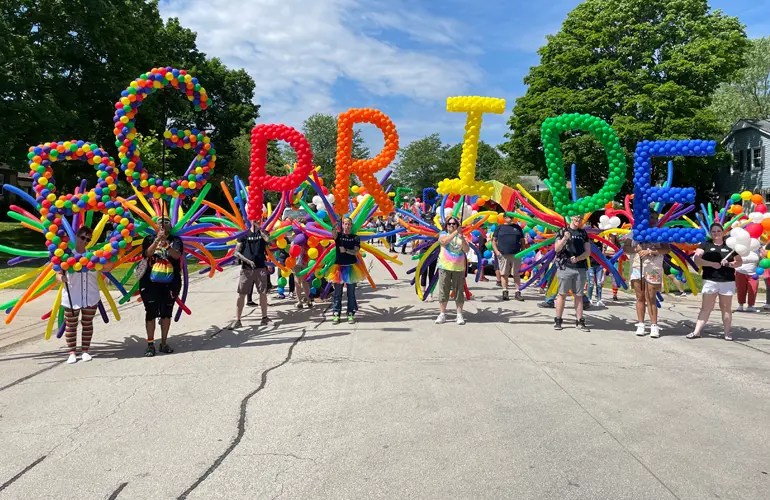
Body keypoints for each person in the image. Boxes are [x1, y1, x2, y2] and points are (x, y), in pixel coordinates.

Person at [688, 222, 742, 340]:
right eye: (713, 231)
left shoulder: (730, 246)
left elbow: (739, 261)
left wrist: (728, 263)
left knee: (726, 308)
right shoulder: (705, 244)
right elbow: (697, 259)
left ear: (722, 232)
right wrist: (711, 264)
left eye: (718, 231)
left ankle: (727, 333)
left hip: (727, 281)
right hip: (710, 280)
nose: (716, 233)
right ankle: (696, 332)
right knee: (706, 307)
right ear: (710, 233)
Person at [140, 216, 183, 357]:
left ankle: (164, 343)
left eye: (166, 223)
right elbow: (147, 253)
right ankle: (150, 344)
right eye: (160, 223)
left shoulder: (176, 240)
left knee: (166, 313)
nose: (163, 225)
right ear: (156, 226)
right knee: (150, 313)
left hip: (171, 283)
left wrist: (166, 244)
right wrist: (157, 240)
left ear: (171, 226)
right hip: (149, 282)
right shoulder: (148, 239)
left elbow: (176, 256)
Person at [57, 226, 100, 364]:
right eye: (82, 237)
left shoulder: (94, 257)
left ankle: (85, 351)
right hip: (71, 296)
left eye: (88, 239)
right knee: (71, 325)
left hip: (91, 296)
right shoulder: (66, 256)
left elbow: (107, 267)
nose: (84, 241)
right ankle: (72, 353)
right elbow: (58, 274)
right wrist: (61, 279)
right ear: (76, 237)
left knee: (87, 323)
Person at [623, 214, 670, 338]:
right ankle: (641, 324)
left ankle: (654, 326)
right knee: (640, 297)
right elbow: (626, 248)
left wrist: (651, 251)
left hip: (653, 267)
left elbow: (666, 249)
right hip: (637, 266)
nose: (652, 220)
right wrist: (636, 249)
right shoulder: (634, 232)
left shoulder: (660, 233)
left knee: (651, 297)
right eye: (650, 217)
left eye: (654, 218)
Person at [554, 215, 591, 331]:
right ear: (571, 218)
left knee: (579, 295)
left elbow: (587, 252)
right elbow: (556, 249)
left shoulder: (583, 233)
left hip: (580, 267)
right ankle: (558, 320)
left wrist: (579, 258)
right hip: (565, 267)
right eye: (576, 218)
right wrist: (565, 238)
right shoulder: (562, 231)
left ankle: (579, 321)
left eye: (580, 219)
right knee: (562, 294)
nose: (578, 220)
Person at [232, 220, 270, 328]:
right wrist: (247, 261)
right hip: (246, 269)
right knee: (241, 294)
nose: (256, 221)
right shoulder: (243, 235)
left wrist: (260, 228)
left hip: (261, 268)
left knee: (263, 293)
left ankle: (264, 318)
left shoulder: (263, 233)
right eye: (255, 219)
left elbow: (268, 241)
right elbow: (236, 252)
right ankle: (238, 320)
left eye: (258, 219)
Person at [435, 216, 469, 325]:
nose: (451, 225)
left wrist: (462, 237)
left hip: (458, 268)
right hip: (445, 267)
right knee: (443, 290)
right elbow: (444, 242)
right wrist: (455, 233)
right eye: (449, 224)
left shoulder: (460, 236)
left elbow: (466, 249)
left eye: (454, 224)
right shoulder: (443, 234)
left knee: (459, 291)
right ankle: (442, 314)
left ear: (457, 225)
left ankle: (459, 314)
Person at [329, 217, 362, 324]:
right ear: (342, 225)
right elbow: (333, 233)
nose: (347, 226)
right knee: (337, 293)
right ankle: (336, 314)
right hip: (338, 268)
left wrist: (346, 250)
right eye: (345, 224)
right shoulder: (338, 236)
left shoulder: (355, 237)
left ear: (351, 225)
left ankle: (350, 313)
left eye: (348, 224)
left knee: (351, 293)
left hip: (352, 268)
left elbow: (356, 252)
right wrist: (335, 224)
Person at [492, 213, 526, 301]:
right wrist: (497, 252)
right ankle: (505, 291)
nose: (509, 218)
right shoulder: (499, 227)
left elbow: (522, 241)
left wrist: (522, 251)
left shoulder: (517, 227)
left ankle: (517, 292)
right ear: (504, 218)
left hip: (516, 254)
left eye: (511, 217)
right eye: (507, 217)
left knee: (516, 274)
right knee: (504, 274)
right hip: (503, 254)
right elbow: (494, 241)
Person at [735, 247, 760, 312]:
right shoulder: (740, 247)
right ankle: (740, 305)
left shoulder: (757, 247)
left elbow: (763, 256)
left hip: (753, 273)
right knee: (740, 289)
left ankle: (750, 305)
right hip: (740, 271)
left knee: (753, 290)